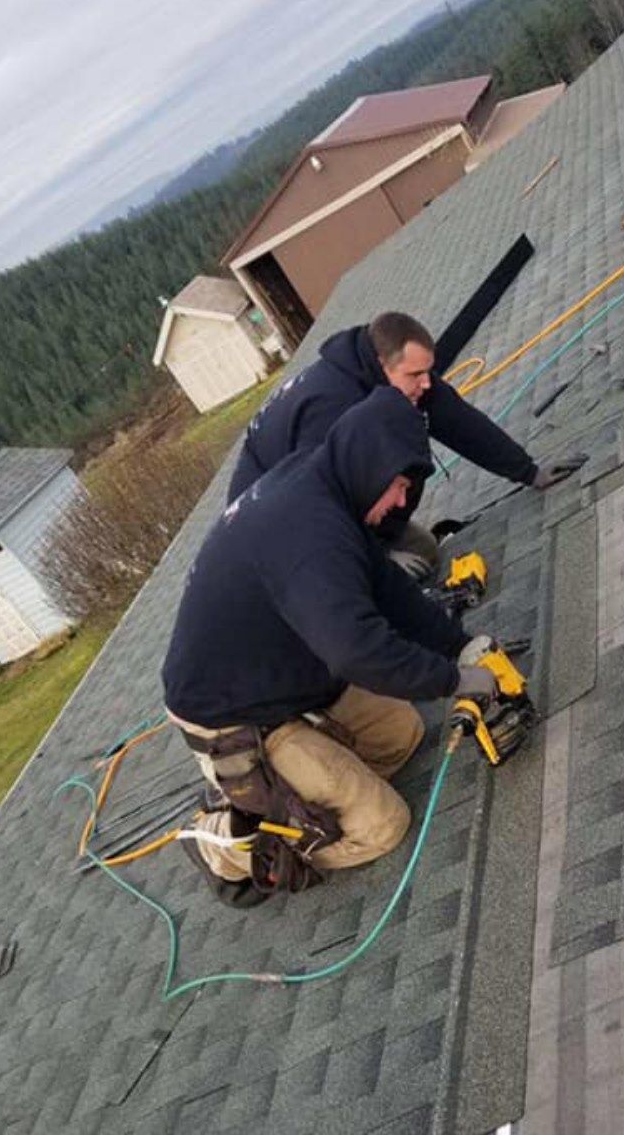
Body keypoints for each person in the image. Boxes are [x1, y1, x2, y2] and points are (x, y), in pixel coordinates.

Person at [162, 386, 498, 907]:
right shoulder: (310, 533)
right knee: (383, 826)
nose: (402, 502)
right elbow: (357, 651)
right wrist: (455, 681)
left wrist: (461, 647)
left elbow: (391, 593)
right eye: (400, 487)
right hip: (232, 717)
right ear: (371, 465)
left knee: (401, 735)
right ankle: (226, 843)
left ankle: (300, 786)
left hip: (287, 677)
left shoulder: (330, 486)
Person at [227, 311, 577, 576]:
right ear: (382, 364)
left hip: (332, 508)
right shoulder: (332, 410)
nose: (426, 383)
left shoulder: (400, 374)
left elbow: (458, 421)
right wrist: (379, 560)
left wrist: (529, 472)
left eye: (427, 371)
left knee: (425, 553)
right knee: (385, 585)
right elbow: (319, 506)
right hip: (277, 533)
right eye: (415, 375)